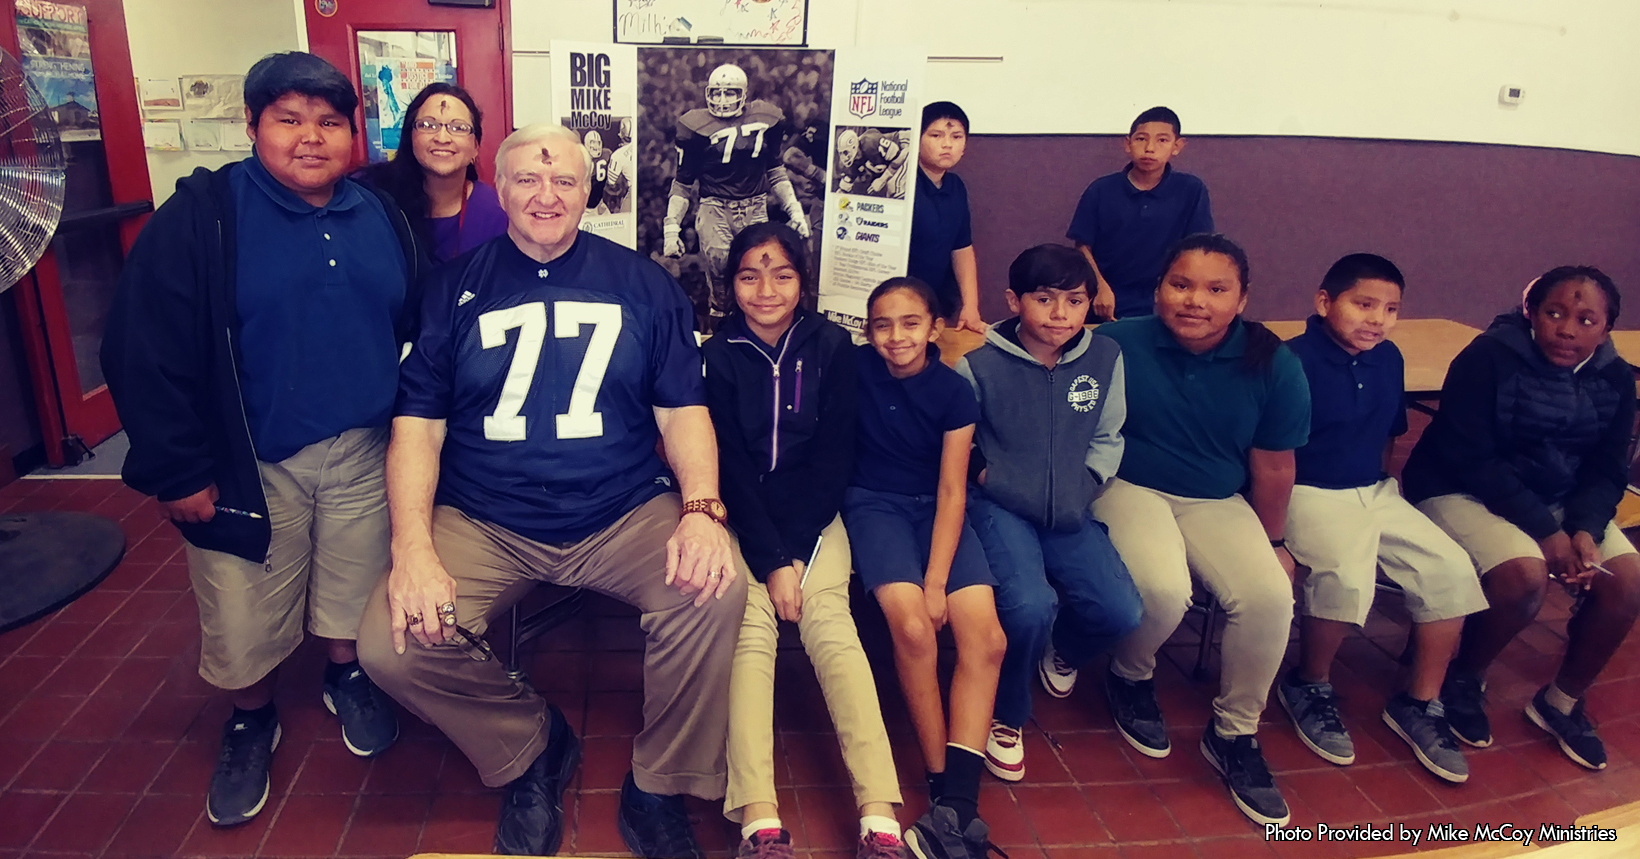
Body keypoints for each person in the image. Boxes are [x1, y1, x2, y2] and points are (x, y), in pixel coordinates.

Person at [355, 124, 747, 858]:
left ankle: (660, 783)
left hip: (620, 509)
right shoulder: (453, 288)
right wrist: (412, 546)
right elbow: (418, 428)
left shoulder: (643, 283)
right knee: (390, 644)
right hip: (485, 516)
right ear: (498, 189)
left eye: (565, 181)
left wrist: (700, 507)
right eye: (528, 181)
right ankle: (532, 744)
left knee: (715, 590)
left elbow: (682, 410)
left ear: (587, 192)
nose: (546, 195)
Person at [100, 51, 424, 827]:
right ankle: (251, 715)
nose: (310, 138)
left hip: (361, 449)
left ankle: (344, 673)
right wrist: (176, 467)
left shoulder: (378, 212)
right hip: (248, 458)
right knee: (242, 611)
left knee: (353, 586)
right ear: (252, 126)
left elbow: (405, 322)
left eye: (329, 122)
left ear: (354, 134)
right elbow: (140, 347)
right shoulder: (205, 216)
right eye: (288, 120)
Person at [705, 222, 908, 859]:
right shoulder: (716, 352)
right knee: (748, 631)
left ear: (803, 282)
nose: (765, 289)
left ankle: (880, 818)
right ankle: (760, 822)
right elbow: (729, 464)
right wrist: (768, 559)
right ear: (731, 285)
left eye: (782, 275)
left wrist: (793, 552)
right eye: (749, 275)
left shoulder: (831, 346)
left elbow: (834, 456)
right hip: (740, 521)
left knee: (833, 628)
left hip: (816, 521)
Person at [1092, 234, 1308, 826]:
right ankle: (1130, 674)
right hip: (1126, 485)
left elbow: (1273, 464)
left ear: (1241, 300)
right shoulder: (1114, 342)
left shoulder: (1272, 360)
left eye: (1217, 290)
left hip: (1215, 497)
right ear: (1159, 288)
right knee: (1162, 590)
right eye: (1181, 284)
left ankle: (1234, 734)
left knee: (1268, 597)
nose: (1195, 301)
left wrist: (1276, 542)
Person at [1402, 266, 1640, 771]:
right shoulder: (1488, 358)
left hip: (1559, 499)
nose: (1567, 329)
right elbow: (1473, 458)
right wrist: (1549, 534)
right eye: (1554, 314)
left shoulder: (1616, 377)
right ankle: (1463, 676)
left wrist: (1584, 529)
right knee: (1523, 575)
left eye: (1585, 319)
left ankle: (1562, 701)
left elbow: (1606, 468)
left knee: (1626, 581)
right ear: (1531, 313)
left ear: (1607, 327)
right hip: (1459, 486)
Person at [1278, 254, 1487, 784]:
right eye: (1363, 304)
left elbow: (1390, 433)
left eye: (1390, 309)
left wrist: (1381, 491)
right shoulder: (1290, 360)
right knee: (1345, 574)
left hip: (1372, 489)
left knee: (1452, 568)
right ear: (1325, 302)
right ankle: (1309, 682)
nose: (1377, 319)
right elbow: (1269, 450)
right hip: (1308, 490)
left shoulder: (1388, 358)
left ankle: (1420, 702)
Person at [955, 245, 1143, 782]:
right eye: (1044, 299)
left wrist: (1086, 485)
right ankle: (1007, 714)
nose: (1060, 314)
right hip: (1000, 507)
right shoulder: (979, 364)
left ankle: (1061, 651)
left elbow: (1109, 435)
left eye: (1074, 300)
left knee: (1121, 610)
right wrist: (990, 478)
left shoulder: (1105, 359)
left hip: (1070, 508)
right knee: (1028, 606)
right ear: (1015, 301)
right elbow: (964, 448)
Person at [842, 278, 1007, 859]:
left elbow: (953, 490)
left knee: (985, 639)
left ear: (935, 327)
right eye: (882, 324)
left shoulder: (954, 393)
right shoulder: (853, 369)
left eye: (911, 322)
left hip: (937, 512)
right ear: (868, 331)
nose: (896, 336)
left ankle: (960, 805)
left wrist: (938, 581)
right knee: (912, 626)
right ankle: (942, 785)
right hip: (872, 505)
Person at [663, 63, 811, 322]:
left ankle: (755, 327)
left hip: (755, 205)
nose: (722, 99)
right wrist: (671, 228)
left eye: (730, 93)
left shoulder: (768, 118)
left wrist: (794, 210)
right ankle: (722, 326)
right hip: (714, 206)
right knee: (720, 268)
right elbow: (683, 182)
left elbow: (775, 170)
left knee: (757, 270)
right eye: (717, 93)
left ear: (743, 93)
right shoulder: (693, 126)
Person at [1065, 107, 1213, 322]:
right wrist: (1099, 288)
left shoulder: (1191, 190)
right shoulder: (1101, 189)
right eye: (1141, 139)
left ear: (1177, 146)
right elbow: (1083, 246)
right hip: (1105, 297)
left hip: (1161, 298)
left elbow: (1198, 250)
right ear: (1128, 144)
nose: (1150, 148)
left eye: (1162, 140)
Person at [360, 82, 507, 264]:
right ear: (410, 137)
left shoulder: (495, 211)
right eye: (428, 125)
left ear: (475, 147)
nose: (442, 138)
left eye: (458, 128)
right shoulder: (371, 194)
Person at [909, 102, 985, 332]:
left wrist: (971, 306)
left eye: (956, 136)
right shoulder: (899, 185)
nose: (947, 144)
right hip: (897, 298)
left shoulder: (956, 187)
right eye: (936, 135)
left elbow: (961, 248)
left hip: (936, 301)